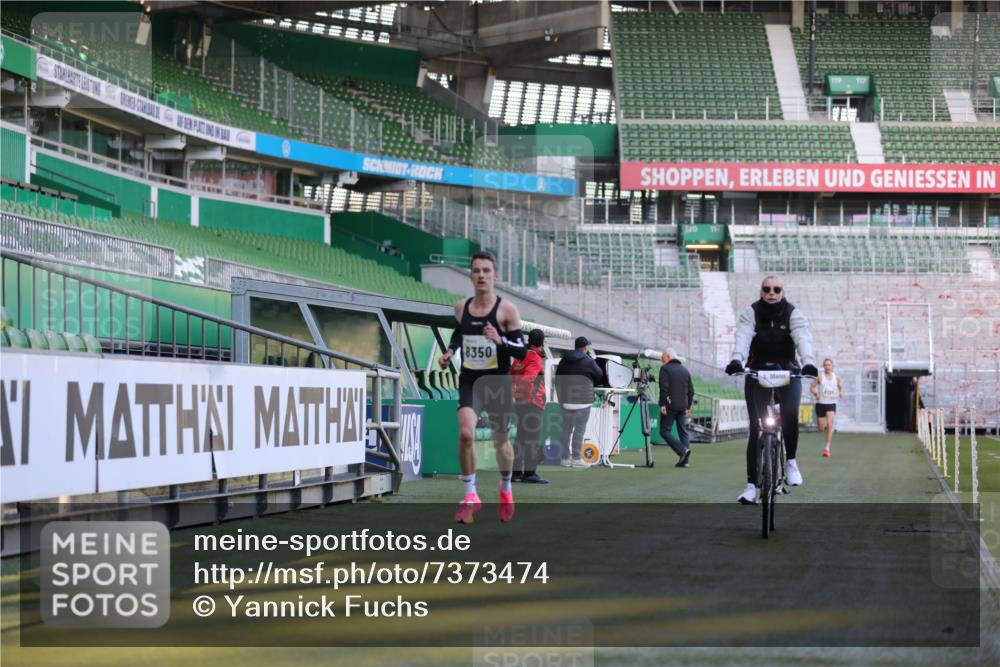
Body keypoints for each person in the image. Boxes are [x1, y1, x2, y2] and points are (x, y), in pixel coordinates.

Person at [438, 251, 526, 524]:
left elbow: (522, 352)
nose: (481, 275)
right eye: (476, 270)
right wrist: (450, 351)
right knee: (466, 433)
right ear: (471, 275)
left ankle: (506, 488)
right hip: (471, 380)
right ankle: (470, 494)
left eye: (486, 270)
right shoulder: (461, 307)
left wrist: (500, 341)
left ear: (495, 275)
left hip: (497, 381)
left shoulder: (506, 310)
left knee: (501, 443)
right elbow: (458, 331)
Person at [725, 276, 817, 504]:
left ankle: (791, 462)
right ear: (761, 291)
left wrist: (808, 361)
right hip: (757, 371)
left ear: (783, 292)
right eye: (767, 289)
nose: (771, 293)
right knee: (756, 427)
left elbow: (802, 338)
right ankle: (751, 486)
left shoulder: (794, 313)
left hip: (788, 371)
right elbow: (743, 337)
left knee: (790, 416)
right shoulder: (751, 312)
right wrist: (736, 359)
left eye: (777, 289)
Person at [554, 336, 604, 467]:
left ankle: (564, 459)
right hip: (583, 401)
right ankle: (576, 458)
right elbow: (600, 375)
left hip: (566, 401)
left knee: (566, 429)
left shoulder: (563, 360)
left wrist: (561, 400)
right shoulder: (589, 361)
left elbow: (557, 380)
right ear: (585, 347)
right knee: (579, 430)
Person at [510, 328, 548, 484]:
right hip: (532, 403)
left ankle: (516, 473)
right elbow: (527, 379)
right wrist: (528, 397)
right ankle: (529, 473)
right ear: (542, 342)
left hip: (520, 402)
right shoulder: (535, 358)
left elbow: (511, 375)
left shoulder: (520, 357)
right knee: (532, 438)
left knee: (521, 438)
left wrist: (516, 394)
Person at [658, 348, 694, 468]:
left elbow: (664, 388)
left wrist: (662, 404)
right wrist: (688, 407)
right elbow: (691, 391)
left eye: (663, 356)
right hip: (683, 406)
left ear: (668, 357)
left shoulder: (665, 369)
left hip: (670, 405)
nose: (661, 358)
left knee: (664, 431)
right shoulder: (685, 370)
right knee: (683, 432)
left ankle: (682, 450)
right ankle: (685, 461)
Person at [811, 358, 844, 457]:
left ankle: (827, 448)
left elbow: (841, 387)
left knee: (830, 425)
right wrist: (816, 393)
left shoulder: (836, 378)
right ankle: (825, 426)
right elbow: (812, 387)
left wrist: (841, 392)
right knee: (821, 428)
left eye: (829, 365)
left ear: (832, 366)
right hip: (821, 404)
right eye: (825, 365)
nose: (827, 367)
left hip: (831, 403)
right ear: (823, 366)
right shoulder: (820, 377)